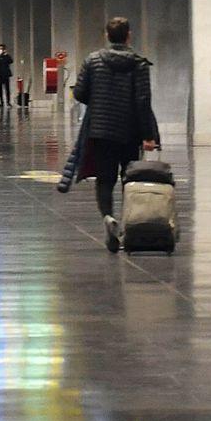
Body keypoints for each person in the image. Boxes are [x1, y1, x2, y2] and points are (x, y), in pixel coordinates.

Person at [72, 17, 160, 251]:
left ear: (107, 36)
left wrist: (98, 97)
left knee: (105, 179)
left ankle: (108, 217)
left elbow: (79, 93)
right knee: (129, 179)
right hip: (129, 132)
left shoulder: (93, 60)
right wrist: (148, 135)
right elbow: (143, 101)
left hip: (100, 130)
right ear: (129, 35)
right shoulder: (139, 64)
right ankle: (130, 224)